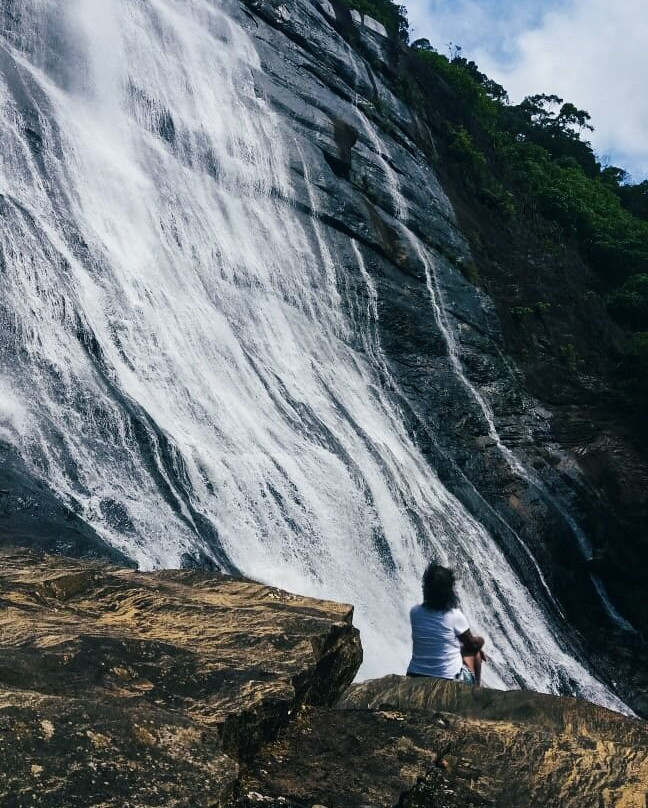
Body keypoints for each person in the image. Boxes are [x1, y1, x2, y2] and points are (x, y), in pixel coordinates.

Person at [406, 563, 486, 685]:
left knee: (462, 650)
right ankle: (476, 693)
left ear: (426, 589)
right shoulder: (455, 616)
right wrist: (480, 640)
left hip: (415, 676)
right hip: (447, 681)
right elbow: (473, 644)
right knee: (476, 653)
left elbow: (436, 641)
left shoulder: (415, 612)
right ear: (449, 591)